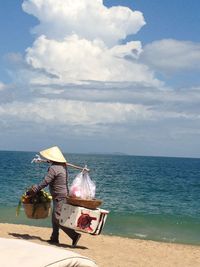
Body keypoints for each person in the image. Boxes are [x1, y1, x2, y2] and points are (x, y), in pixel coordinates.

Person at [28, 146, 89, 247]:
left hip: (59, 197)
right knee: (54, 217)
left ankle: (74, 235)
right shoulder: (63, 166)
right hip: (62, 195)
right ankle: (54, 238)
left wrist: (35, 189)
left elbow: (46, 181)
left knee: (57, 218)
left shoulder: (53, 168)